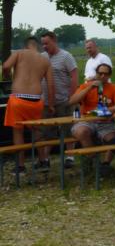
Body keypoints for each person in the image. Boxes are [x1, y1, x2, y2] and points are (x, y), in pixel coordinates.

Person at [2, 37, 54, 174]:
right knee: (37, 131)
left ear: (25, 45)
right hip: (36, 100)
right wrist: (51, 104)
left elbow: (6, 66)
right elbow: (50, 85)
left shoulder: (19, 53)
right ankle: (43, 161)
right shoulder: (45, 60)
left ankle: (20, 166)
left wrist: (6, 74)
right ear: (37, 46)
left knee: (18, 131)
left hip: (18, 99)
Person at [68, 64, 115, 162]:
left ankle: (106, 164)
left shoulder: (114, 88)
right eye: (100, 73)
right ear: (96, 73)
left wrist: (104, 111)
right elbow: (72, 101)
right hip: (86, 120)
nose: (102, 76)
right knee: (82, 132)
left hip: (105, 122)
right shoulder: (85, 86)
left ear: (109, 76)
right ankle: (94, 162)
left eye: (105, 74)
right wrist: (90, 87)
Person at [41, 31, 78, 167]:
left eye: (47, 43)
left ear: (54, 41)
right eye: (43, 44)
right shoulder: (42, 57)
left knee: (67, 129)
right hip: (46, 102)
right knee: (47, 131)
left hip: (63, 100)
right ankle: (45, 159)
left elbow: (74, 76)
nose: (44, 46)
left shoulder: (66, 56)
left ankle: (70, 157)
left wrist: (72, 97)